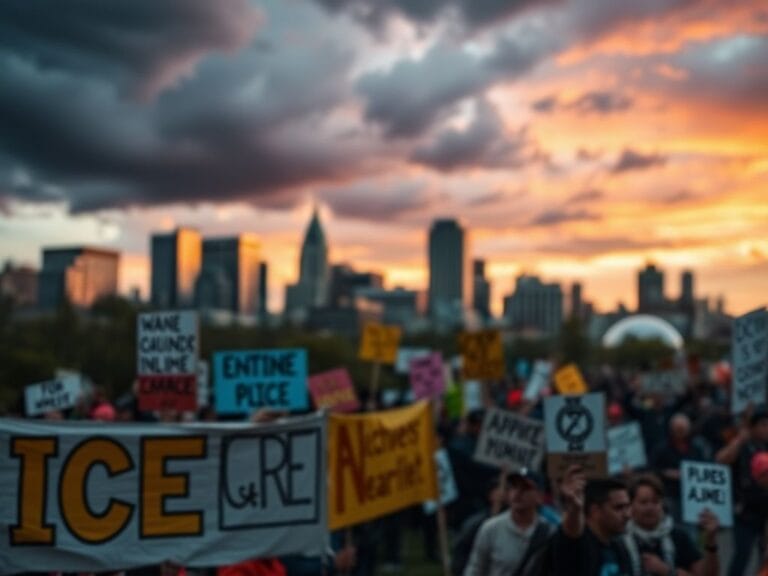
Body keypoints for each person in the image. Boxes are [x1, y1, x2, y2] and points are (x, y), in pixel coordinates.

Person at [622, 474, 719, 576]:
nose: (650, 507)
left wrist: (667, 572)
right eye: (644, 502)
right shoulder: (620, 538)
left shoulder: (679, 536)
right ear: (630, 505)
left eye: (655, 502)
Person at [463, 469, 555, 576]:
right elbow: (475, 568)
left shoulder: (550, 533)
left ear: (540, 496)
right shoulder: (491, 528)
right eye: (514, 487)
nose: (517, 493)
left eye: (525, 488)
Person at [550, 466, 632, 576]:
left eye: (627, 507)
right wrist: (575, 508)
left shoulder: (619, 547)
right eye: (619, 508)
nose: (627, 515)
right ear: (595, 510)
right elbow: (571, 535)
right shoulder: (579, 545)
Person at [716, 406, 768, 576]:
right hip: (745, 513)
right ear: (753, 427)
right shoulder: (743, 446)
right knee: (742, 554)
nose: (767, 429)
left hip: (765, 513)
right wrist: (739, 439)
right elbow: (721, 460)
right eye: (763, 424)